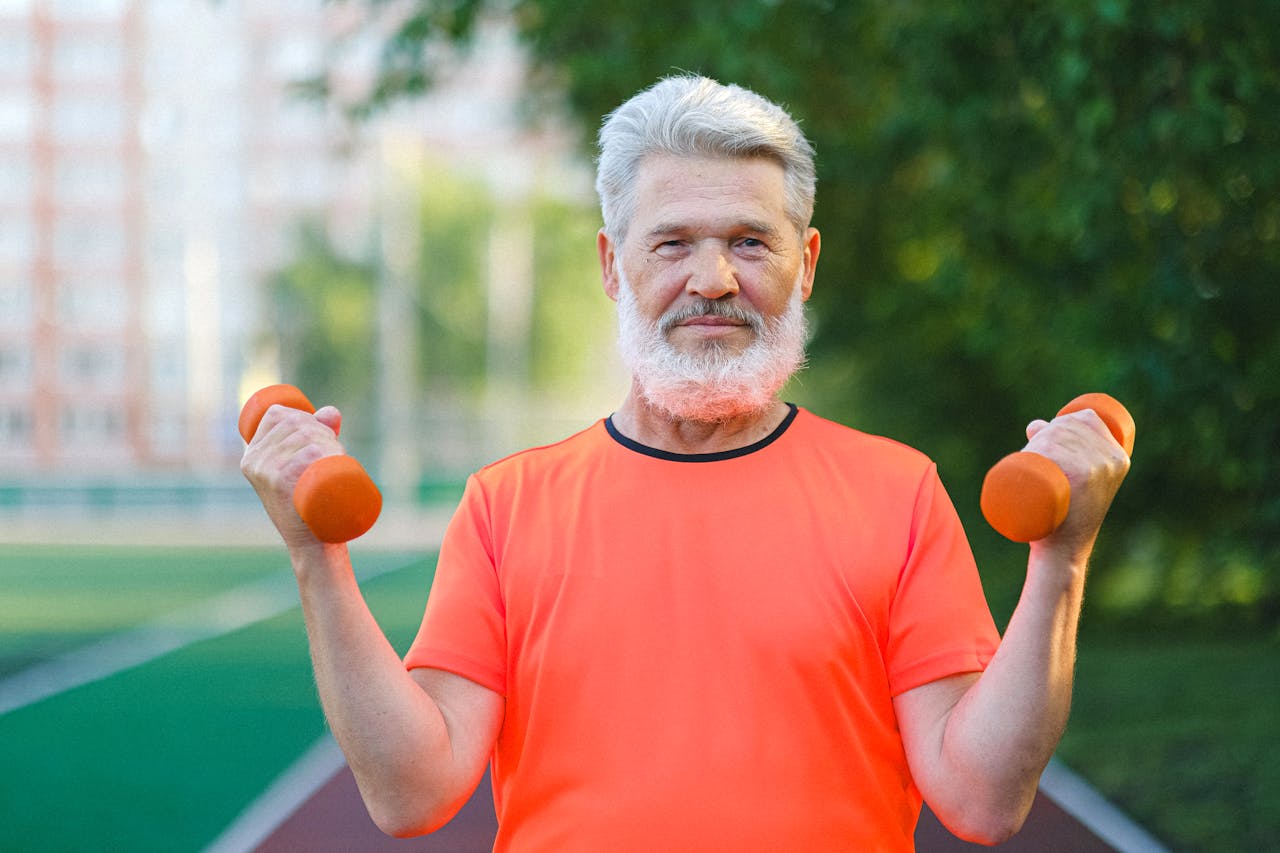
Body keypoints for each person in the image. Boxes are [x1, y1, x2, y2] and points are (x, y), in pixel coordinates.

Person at [241, 75, 1131, 851]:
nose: (713, 278)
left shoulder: (897, 492)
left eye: (751, 241)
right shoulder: (505, 505)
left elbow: (982, 801)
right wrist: (316, 559)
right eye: (672, 243)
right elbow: (411, 793)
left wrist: (1063, 558)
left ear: (805, 263)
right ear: (611, 263)